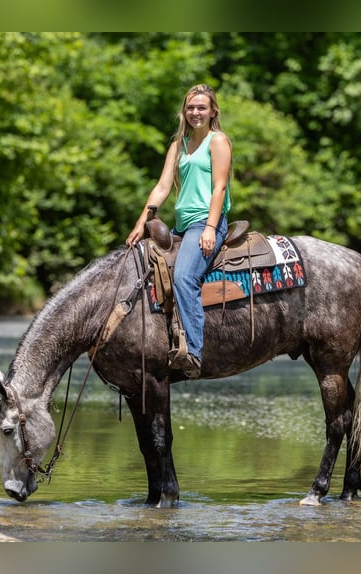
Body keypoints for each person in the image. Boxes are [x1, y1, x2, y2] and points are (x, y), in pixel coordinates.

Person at [126, 84, 232, 379]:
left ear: (213, 111)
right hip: (182, 225)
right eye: (191, 108)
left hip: (206, 222)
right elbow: (162, 187)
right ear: (184, 112)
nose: (195, 112)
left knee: (185, 277)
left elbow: (219, 187)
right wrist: (140, 223)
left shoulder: (218, 141)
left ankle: (194, 352)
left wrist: (210, 227)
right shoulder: (179, 145)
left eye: (201, 107)